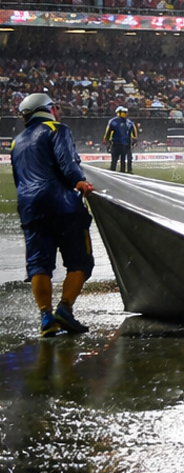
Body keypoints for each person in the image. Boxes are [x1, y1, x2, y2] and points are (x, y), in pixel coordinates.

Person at [11, 94, 95, 336]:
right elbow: (66, 162)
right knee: (80, 261)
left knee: (38, 264)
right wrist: (79, 182)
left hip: (31, 209)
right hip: (63, 205)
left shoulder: (16, 142)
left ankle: (46, 317)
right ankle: (65, 309)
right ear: (46, 109)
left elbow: (20, 179)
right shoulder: (56, 128)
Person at [104, 105, 138, 174]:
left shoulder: (129, 123)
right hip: (116, 144)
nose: (125, 114)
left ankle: (124, 172)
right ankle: (112, 172)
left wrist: (134, 141)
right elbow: (108, 132)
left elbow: (133, 134)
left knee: (124, 160)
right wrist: (106, 140)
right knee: (114, 160)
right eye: (123, 112)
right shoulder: (113, 121)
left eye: (126, 112)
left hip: (126, 145)